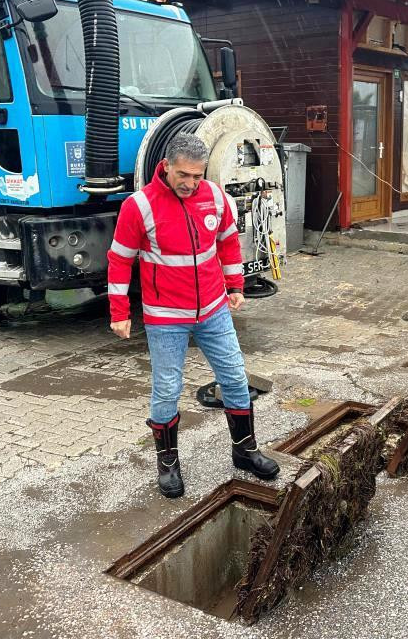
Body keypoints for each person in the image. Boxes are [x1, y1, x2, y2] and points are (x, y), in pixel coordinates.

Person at [107, 134, 279, 498]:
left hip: (214, 309)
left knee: (234, 377)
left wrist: (235, 286)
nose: (190, 183)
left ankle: (245, 451)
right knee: (167, 389)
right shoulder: (139, 207)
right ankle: (168, 465)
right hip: (165, 316)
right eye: (183, 175)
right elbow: (120, 260)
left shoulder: (215, 197)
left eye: (197, 176)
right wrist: (119, 312)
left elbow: (228, 242)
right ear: (166, 166)